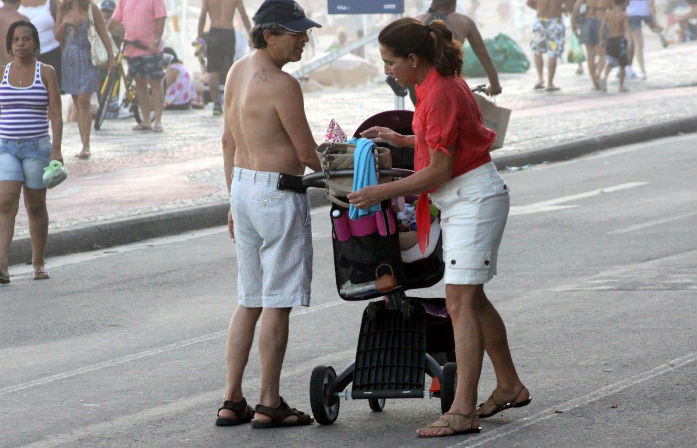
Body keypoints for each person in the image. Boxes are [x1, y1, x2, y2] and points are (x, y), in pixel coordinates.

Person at [347, 17, 530, 438]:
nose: (387, 70)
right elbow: (436, 142)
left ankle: (463, 409)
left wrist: (378, 192)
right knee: (473, 300)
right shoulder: (433, 85)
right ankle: (508, 384)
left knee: (460, 303)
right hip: (465, 198)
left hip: (473, 199)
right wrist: (401, 140)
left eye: (391, 62)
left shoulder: (442, 92)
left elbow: (439, 170)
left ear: (414, 59)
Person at [216, 0, 321, 429]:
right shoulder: (282, 83)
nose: (304, 40)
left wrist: (232, 200)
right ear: (270, 33)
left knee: (249, 300)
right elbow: (306, 152)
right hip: (278, 193)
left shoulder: (236, 71)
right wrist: (352, 169)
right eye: (296, 33)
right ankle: (269, 402)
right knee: (277, 302)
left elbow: (227, 141)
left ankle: (231, 399)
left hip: (243, 186)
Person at [0, 20, 62, 284]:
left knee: (35, 205)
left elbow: (56, 114)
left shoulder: (46, 72)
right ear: (10, 45)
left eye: (26, 39)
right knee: (5, 201)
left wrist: (56, 150)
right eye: (16, 40)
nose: (21, 44)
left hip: (37, 148)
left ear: (35, 43)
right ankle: (1, 266)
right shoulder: (2, 73)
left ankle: (38, 263)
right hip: (6, 147)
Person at [55, 0, 114, 160]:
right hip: (70, 59)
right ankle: (83, 144)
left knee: (84, 101)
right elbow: (57, 37)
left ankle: (87, 145)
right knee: (77, 102)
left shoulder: (91, 8)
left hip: (88, 58)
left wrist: (111, 58)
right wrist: (64, 23)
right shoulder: (63, 7)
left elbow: (103, 33)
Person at [415, 0, 502, 98]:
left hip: (421, 86)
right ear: (454, 4)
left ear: (433, 3)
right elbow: (484, 57)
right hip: (450, 84)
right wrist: (495, 85)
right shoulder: (465, 22)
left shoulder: (417, 21)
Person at [108, 0, 166, 132]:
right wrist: (103, 32)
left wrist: (156, 40)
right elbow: (116, 18)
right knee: (140, 84)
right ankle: (146, 120)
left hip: (150, 48)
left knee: (155, 83)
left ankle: (158, 120)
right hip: (132, 48)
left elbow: (161, 19)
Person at [197, 0, 251, 116]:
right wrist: (251, 34)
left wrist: (199, 35)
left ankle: (216, 104)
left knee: (213, 71)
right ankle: (231, 103)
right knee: (229, 70)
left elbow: (202, 16)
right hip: (228, 33)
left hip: (214, 32)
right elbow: (243, 15)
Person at [528, 0, 571, 91]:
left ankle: (540, 78)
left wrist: (540, 8)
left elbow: (529, 3)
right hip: (555, 20)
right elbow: (568, 6)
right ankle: (550, 83)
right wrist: (559, 9)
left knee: (537, 51)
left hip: (540, 20)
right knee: (553, 52)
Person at [19, 0, 61, 88]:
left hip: (53, 55)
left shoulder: (52, 2)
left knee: (55, 91)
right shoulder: (11, 3)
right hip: (25, 58)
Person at [573, 0, 610, 89]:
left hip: (587, 20)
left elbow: (576, 8)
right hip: (602, 20)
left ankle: (594, 81)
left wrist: (574, 24)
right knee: (603, 53)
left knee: (590, 54)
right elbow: (615, 6)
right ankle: (598, 74)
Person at [625, 0, 664, 79]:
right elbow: (651, 4)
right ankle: (640, 71)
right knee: (638, 44)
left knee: (634, 43)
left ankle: (632, 69)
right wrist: (655, 22)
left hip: (631, 14)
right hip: (645, 13)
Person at [600, 0, 630, 91]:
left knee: (610, 62)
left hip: (610, 40)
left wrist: (601, 40)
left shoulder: (608, 14)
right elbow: (626, 30)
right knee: (622, 64)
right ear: (623, 3)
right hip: (620, 40)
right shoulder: (624, 15)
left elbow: (602, 28)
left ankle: (604, 78)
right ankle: (621, 86)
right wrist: (628, 42)